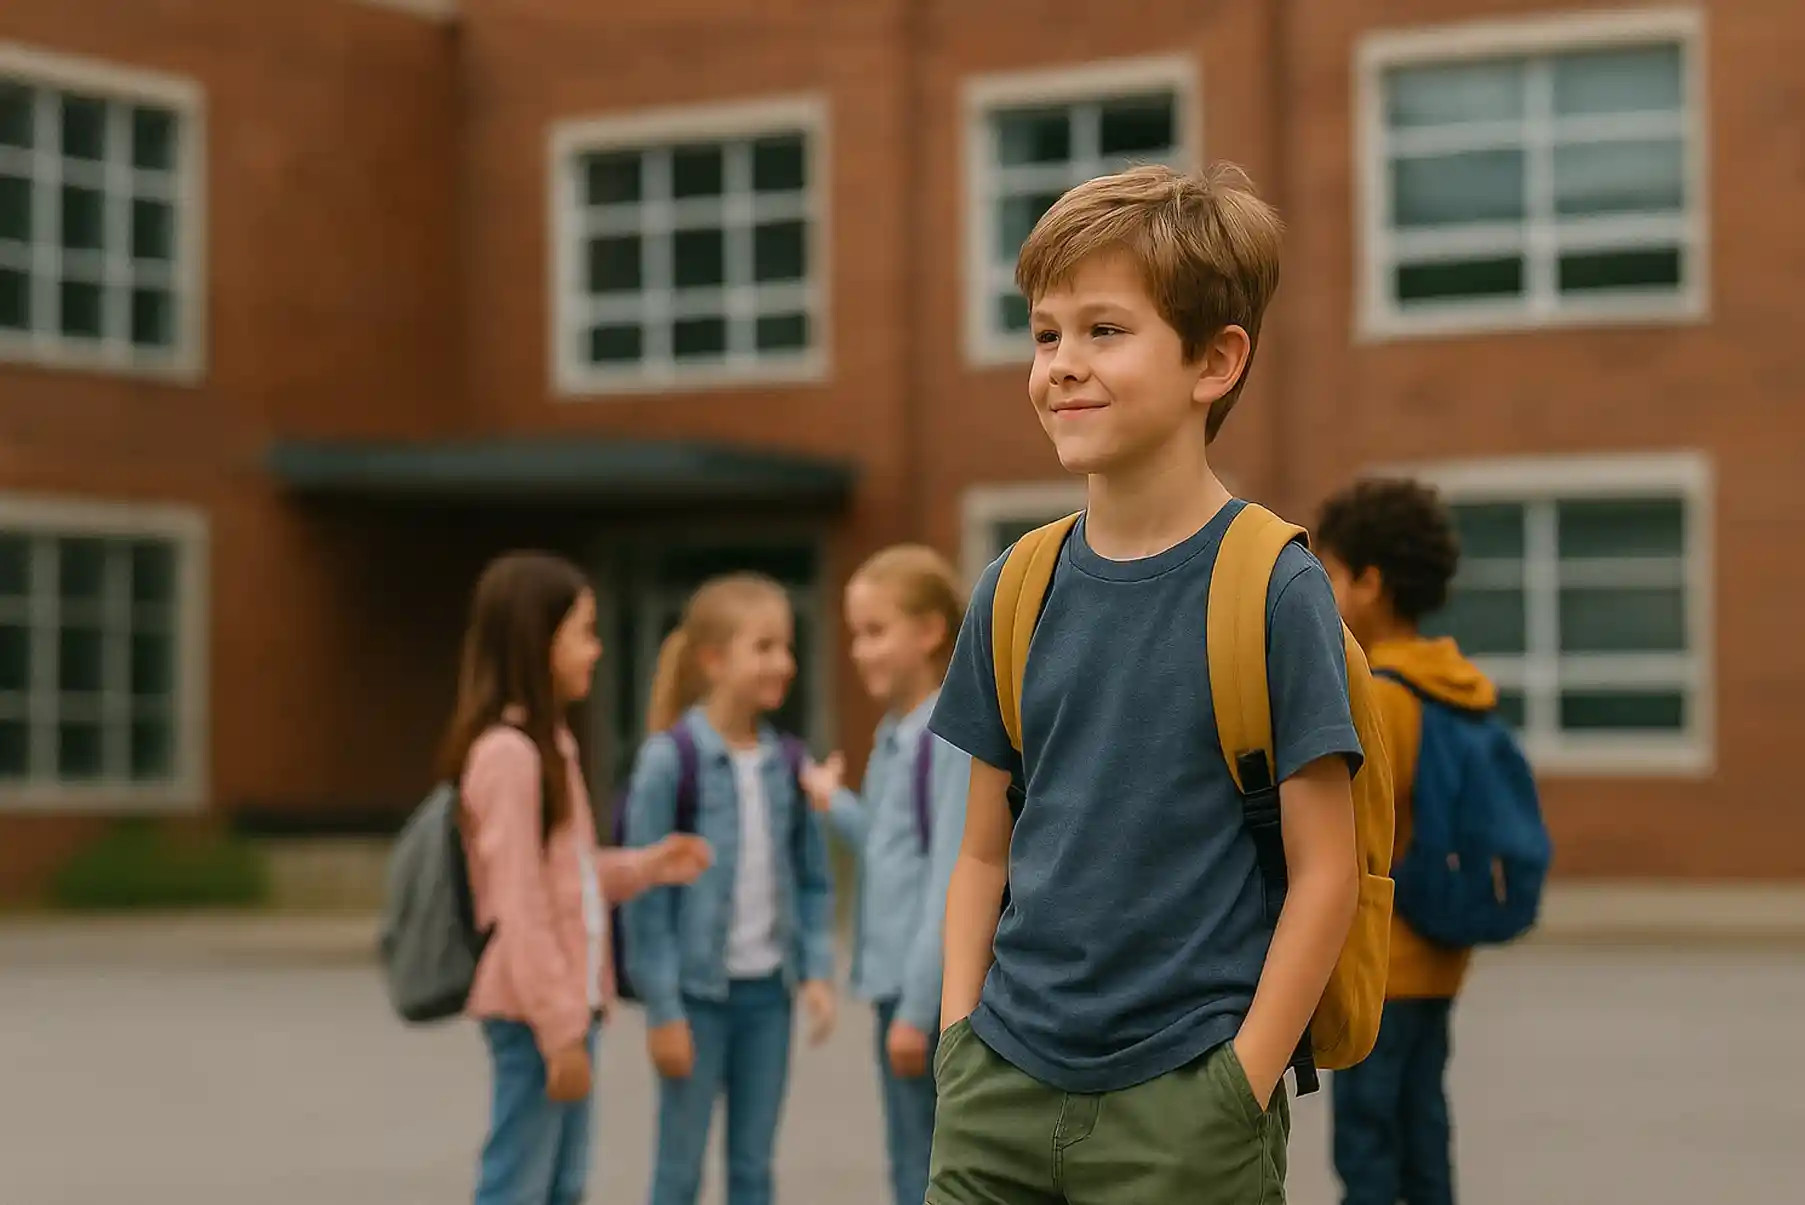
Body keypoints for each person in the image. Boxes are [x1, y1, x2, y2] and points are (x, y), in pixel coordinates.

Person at [925, 162, 1365, 1204]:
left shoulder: (1273, 587)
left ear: (1215, 361)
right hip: (996, 1088)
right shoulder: (1015, 584)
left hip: (1184, 1108)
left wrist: (1237, 1084)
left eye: (1103, 330)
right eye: (1045, 334)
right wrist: (958, 1040)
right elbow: (982, 848)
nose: (1061, 365)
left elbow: (1325, 871)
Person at [443, 551, 714, 1205]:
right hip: (536, 1013)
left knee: (562, 1186)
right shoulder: (508, 756)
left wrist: (647, 865)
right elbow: (519, 904)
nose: (596, 650)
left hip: (566, 1006)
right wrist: (560, 1029)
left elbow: (567, 879)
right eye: (584, 632)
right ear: (538, 641)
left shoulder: (550, 745)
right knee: (518, 1185)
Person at [621, 572, 838, 1205]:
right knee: (679, 1172)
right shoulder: (669, 761)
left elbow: (812, 879)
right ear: (714, 660)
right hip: (696, 999)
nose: (784, 663)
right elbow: (644, 899)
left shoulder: (788, 762)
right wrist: (663, 1010)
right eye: (764, 647)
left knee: (753, 1169)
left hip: (768, 998)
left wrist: (815, 972)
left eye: (786, 647)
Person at [1316, 478, 1489, 1205]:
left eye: (1330, 575)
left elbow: (1355, 838)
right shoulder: (1455, 683)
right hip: (1440, 956)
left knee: (1366, 1148)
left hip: (1380, 967)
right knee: (1423, 1134)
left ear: (1369, 583)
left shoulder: (1380, 695)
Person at [800, 545, 972, 1205]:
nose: (858, 651)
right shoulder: (895, 733)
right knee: (910, 1161)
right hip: (894, 987)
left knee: (926, 1171)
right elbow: (888, 845)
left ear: (928, 631)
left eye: (874, 631)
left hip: (920, 994)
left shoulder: (948, 735)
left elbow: (950, 879)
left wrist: (916, 1010)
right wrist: (832, 802)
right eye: (855, 634)